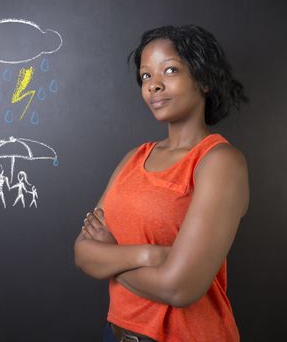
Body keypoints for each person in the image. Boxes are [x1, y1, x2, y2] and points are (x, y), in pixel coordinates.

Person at [74, 25, 250, 342]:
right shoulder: (133, 158)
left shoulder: (219, 162)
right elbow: (84, 253)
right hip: (115, 334)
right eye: (146, 76)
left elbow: (179, 287)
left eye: (170, 70)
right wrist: (150, 256)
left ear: (204, 80)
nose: (154, 86)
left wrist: (110, 257)